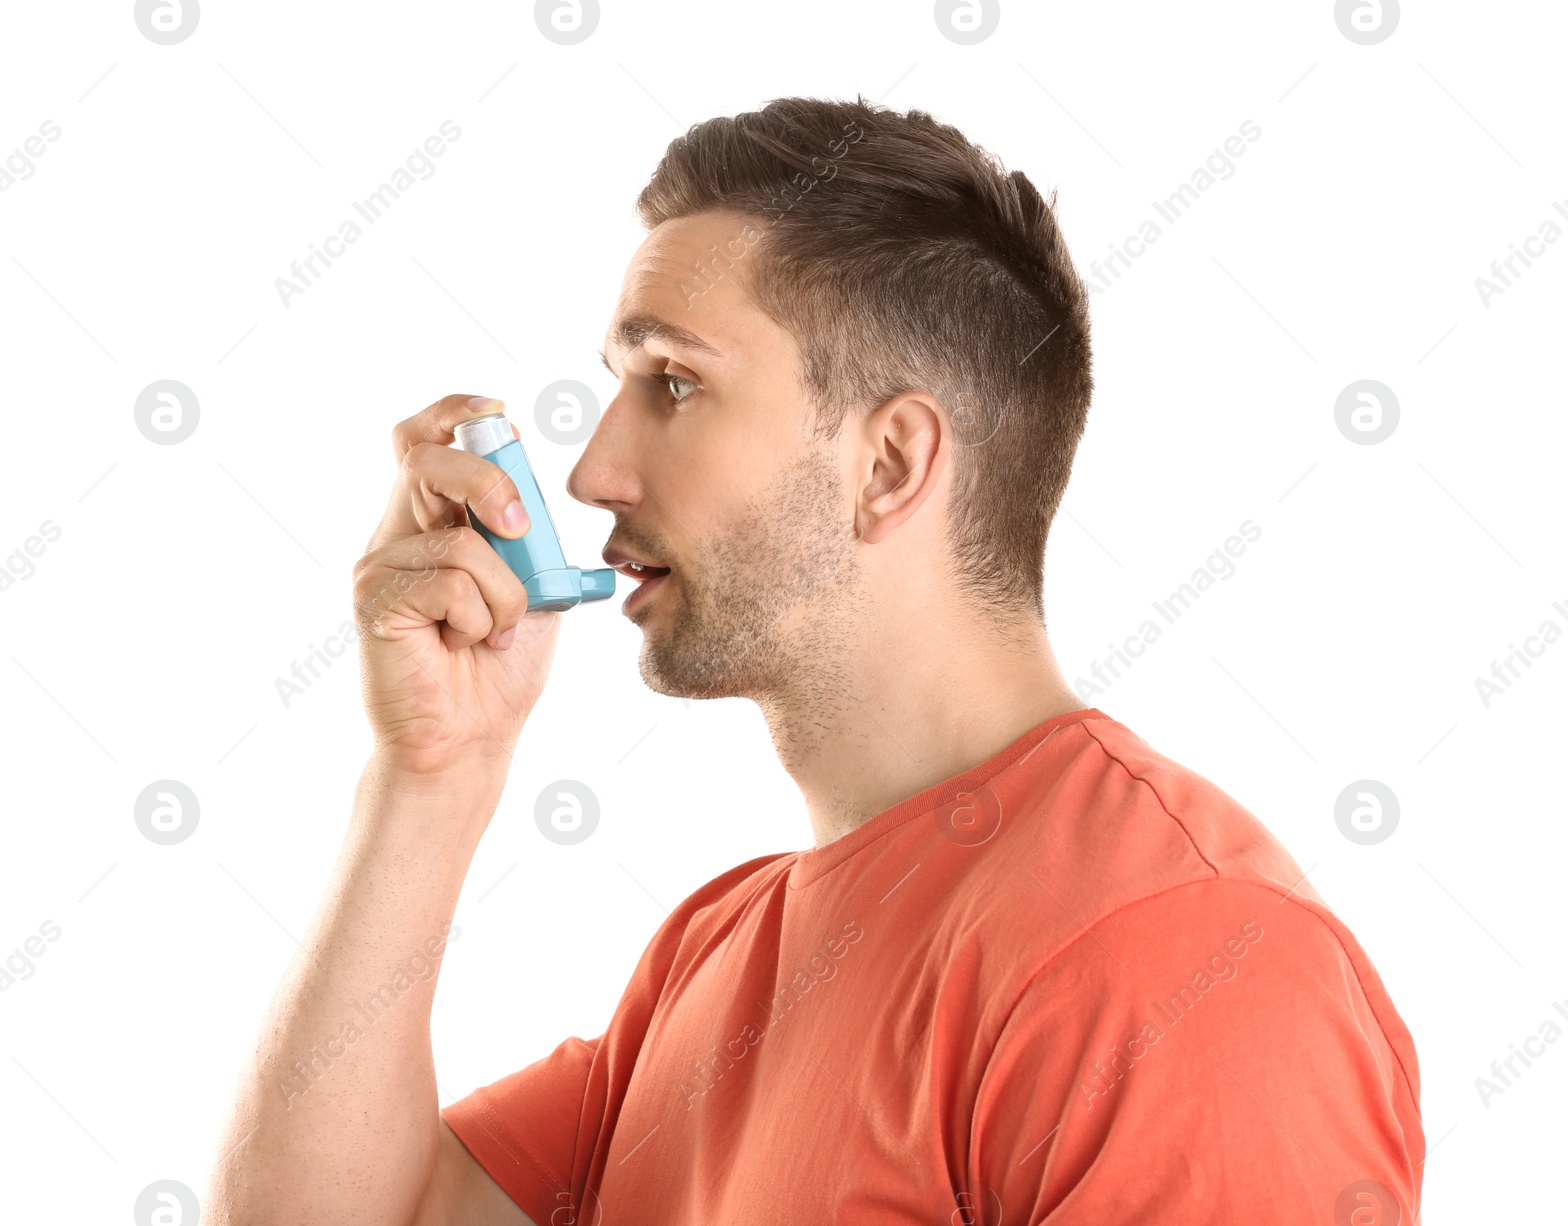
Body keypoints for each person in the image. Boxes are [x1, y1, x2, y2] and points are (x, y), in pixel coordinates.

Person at [206, 96, 1423, 1225]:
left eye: (673, 381)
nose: (589, 473)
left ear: (888, 463)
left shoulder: (1182, 959)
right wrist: (435, 770)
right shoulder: (712, 953)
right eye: (618, 383)